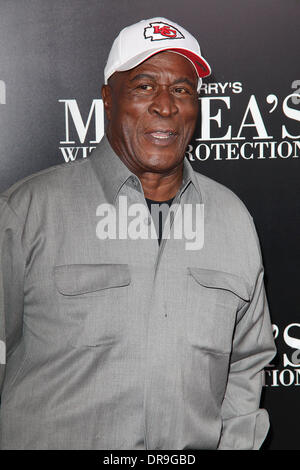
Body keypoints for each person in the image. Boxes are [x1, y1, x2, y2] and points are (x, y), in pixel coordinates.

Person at [0, 17, 275, 450]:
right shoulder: (28, 212)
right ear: (109, 99)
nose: (166, 106)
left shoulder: (231, 218)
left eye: (182, 90)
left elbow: (247, 363)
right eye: (145, 86)